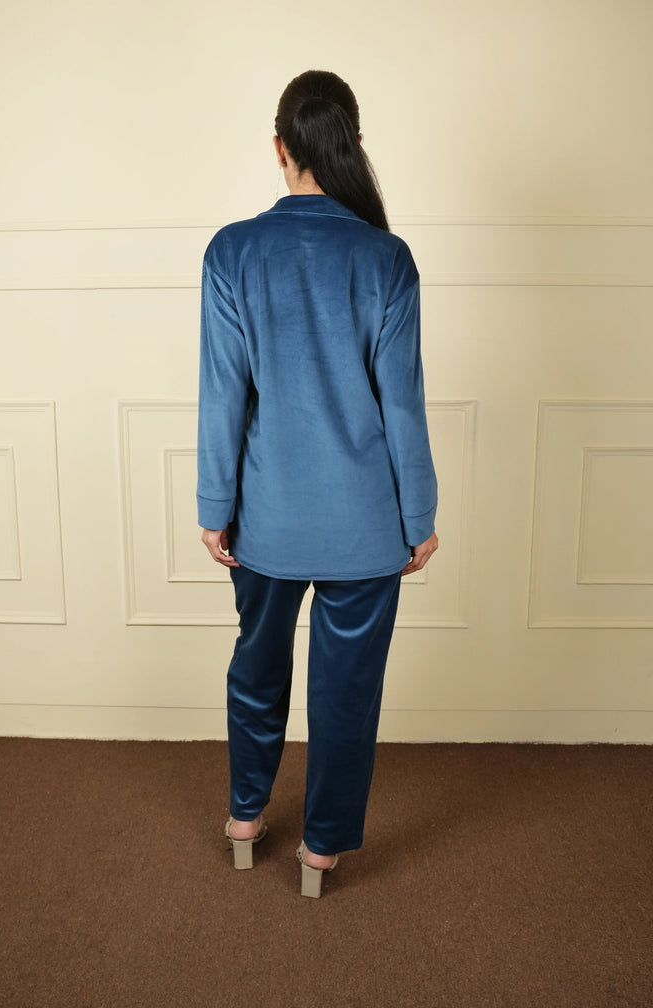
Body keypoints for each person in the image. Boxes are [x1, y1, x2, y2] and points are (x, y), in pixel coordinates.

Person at [196, 69, 438, 897]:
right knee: (346, 692)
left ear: (280, 147)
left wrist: (214, 507)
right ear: (353, 145)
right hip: (365, 524)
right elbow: (402, 405)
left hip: (265, 515)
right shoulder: (386, 257)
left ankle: (244, 816)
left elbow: (224, 393)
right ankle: (322, 850)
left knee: (256, 669)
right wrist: (419, 517)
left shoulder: (232, 251)